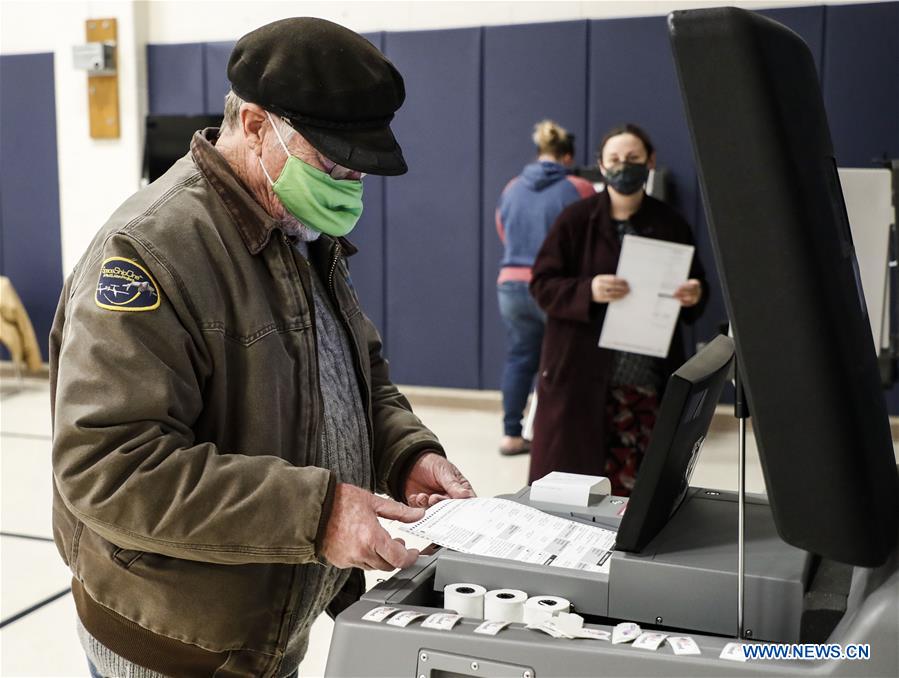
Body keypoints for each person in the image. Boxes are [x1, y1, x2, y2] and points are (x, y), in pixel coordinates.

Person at [50, 18, 475, 678]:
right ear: (253, 125)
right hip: (175, 643)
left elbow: (357, 374)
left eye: (358, 170)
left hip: (266, 626)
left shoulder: (297, 229)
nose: (348, 187)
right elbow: (108, 465)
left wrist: (404, 453)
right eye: (331, 164)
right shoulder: (149, 250)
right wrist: (318, 513)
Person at [528, 123, 708, 494]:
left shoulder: (670, 223)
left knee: (638, 487)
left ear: (650, 162)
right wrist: (588, 289)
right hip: (582, 372)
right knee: (575, 484)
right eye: (614, 159)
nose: (623, 166)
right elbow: (542, 285)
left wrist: (694, 294)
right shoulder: (576, 220)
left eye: (633, 159)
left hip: (645, 379)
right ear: (601, 164)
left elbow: (695, 289)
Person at [495, 120, 594, 456]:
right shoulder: (578, 187)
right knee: (563, 360)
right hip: (553, 287)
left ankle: (511, 434)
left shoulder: (511, 188)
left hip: (510, 284)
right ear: (568, 157)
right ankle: (557, 435)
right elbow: (590, 235)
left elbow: (503, 230)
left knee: (520, 356)